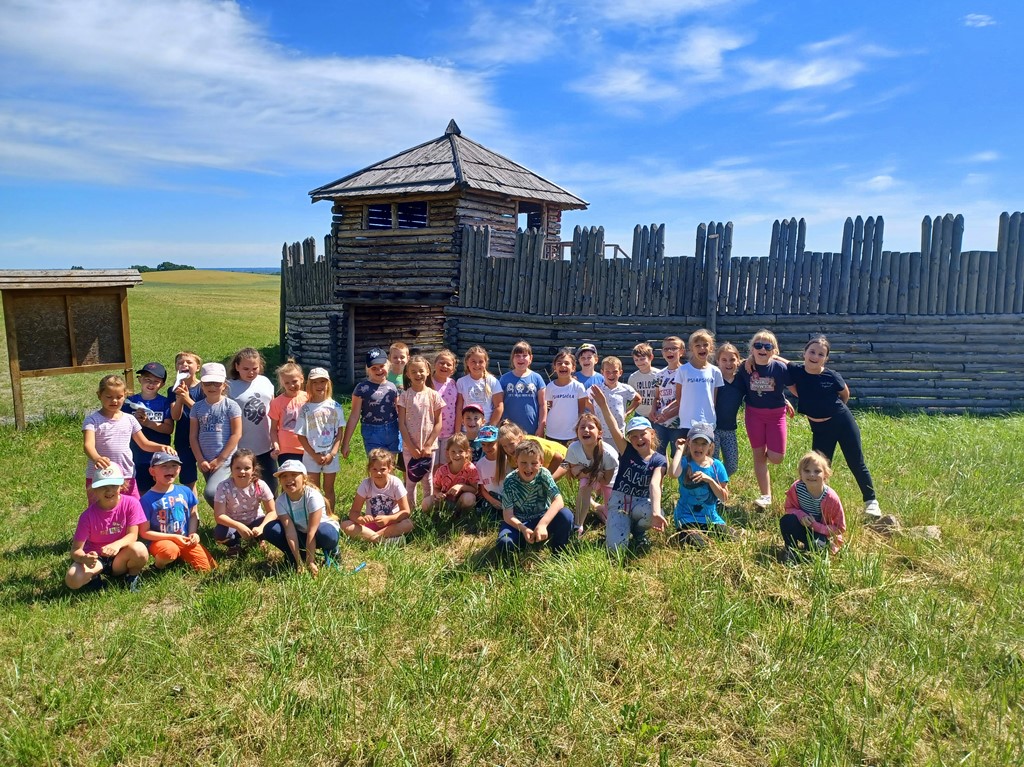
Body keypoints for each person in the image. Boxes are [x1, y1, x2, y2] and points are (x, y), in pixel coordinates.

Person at [786, 336, 881, 518]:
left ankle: (871, 502)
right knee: (816, 468)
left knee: (856, 461)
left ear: (826, 358)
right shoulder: (796, 371)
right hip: (819, 429)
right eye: (812, 351)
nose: (815, 356)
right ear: (804, 353)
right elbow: (778, 359)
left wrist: (834, 410)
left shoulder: (832, 375)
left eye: (821, 354)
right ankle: (814, 505)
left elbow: (845, 394)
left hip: (842, 422)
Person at [591, 387, 668, 553]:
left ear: (652, 434)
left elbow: (655, 485)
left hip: (642, 502)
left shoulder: (659, 460)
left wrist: (655, 512)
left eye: (642, 434)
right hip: (620, 502)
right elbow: (612, 427)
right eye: (633, 435)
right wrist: (604, 406)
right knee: (616, 551)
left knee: (653, 512)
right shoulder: (626, 451)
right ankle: (619, 524)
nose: (638, 439)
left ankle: (638, 532)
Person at [83, 374, 171, 502]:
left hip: (126, 474)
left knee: (132, 509)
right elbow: (88, 445)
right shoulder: (92, 420)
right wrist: (97, 458)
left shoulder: (130, 419)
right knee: (100, 512)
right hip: (100, 475)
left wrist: (161, 447)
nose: (114, 401)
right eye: (109, 397)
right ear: (99, 395)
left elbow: (144, 443)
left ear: (125, 396)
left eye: (119, 397)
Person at [65, 464, 149, 592]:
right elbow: (76, 550)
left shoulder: (131, 504)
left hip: (121, 555)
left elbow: (133, 535)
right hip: (97, 558)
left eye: (114, 486)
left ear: (121, 486)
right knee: (72, 578)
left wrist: (117, 545)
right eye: (103, 487)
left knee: (140, 549)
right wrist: (84, 558)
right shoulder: (87, 516)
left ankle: (131, 576)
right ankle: (94, 578)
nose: (109, 491)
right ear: (94, 489)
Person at [738, 329, 792, 509]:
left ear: (774, 350)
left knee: (777, 458)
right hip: (754, 414)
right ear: (752, 349)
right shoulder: (745, 367)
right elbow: (727, 367)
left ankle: (770, 451)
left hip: (776, 414)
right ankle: (765, 496)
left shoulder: (780, 368)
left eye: (767, 346)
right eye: (758, 345)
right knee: (758, 456)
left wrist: (786, 400)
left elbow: (794, 370)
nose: (762, 348)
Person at [138, 451, 217, 571]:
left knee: (208, 568)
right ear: (152, 471)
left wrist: (192, 533)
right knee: (169, 552)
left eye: (174, 466)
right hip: (160, 541)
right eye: (164, 466)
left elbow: (193, 515)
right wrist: (173, 538)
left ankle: (180, 556)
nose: (170, 469)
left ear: (179, 469)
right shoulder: (146, 500)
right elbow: (144, 532)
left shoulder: (185, 491)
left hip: (185, 539)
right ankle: (158, 566)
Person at [262, 460, 340, 576]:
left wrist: (311, 561)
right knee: (271, 529)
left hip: (318, 532)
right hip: (301, 533)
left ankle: (333, 552)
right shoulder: (280, 502)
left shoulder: (312, 496)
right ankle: (293, 556)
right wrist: (298, 562)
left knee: (326, 534)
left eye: (294, 475)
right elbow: (290, 532)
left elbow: (312, 531)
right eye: (284, 476)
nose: (289, 479)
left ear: (304, 478)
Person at [495, 440, 573, 557]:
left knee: (566, 515)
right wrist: (523, 528)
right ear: (516, 461)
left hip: (543, 517)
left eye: (534, 463)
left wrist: (543, 524)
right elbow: (508, 515)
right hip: (519, 521)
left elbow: (558, 501)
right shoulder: (509, 481)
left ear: (541, 462)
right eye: (524, 463)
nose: (528, 468)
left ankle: (558, 551)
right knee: (504, 542)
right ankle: (524, 542)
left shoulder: (544, 474)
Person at [552, 413, 618, 537]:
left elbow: (605, 480)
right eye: (582, 427)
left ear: (600, 433)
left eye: (591, 427)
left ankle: (597, 507)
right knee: (585, 484)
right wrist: (590, 472)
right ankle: (578, 526)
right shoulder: (573, 448)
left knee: (611, 521)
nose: (586, 430)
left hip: (610, 481)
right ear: (577, 432)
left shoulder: (608, 454)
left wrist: (584, 470)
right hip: (591, 478)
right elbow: (574, 474)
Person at [668, 423, 731, 549]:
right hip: (686, 517)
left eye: (704, 444)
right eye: (696, 442)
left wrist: (710, 481)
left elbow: (724, 498)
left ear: (710, 446)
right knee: (701, 546)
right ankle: (681, 536)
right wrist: (680, 450)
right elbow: (673, 474)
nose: (699, 447)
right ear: (689, 443)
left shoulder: (716, 466)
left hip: (711, 518)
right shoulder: (685, 462)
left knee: (733, 539)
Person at [189, 362, 243, 508]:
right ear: (202, 385)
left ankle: (233, 518)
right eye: (208, 383)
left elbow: (236, 434)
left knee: (212, 493)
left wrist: (220, 460)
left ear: (224, 385)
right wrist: (200, 460)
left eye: (216, 383)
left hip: (226, 460)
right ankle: (229, 522)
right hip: (206, 460)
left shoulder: (231, 406)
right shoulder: (197, 407)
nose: (212, 387)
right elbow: (193, 436)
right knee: (222, 493)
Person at [294, 367, 345, 515]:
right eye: (315, 382)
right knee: (313, 489)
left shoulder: (336, 406)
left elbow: (339, 432)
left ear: (328, 383)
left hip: (330, 455)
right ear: (309, 385)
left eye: (323, 381)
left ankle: (329, 516)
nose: (319, 385)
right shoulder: (305, 409)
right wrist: (314, 455)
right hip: (311, 455)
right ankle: (315, 516)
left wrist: (333, 453)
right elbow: (301, 435)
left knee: (329, 489)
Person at [779, 451, 846, 564]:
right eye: (807, 471)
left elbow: (840, 528)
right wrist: (801, 516)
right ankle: (792, 550)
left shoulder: (831, 498)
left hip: (822, 533)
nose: (811, 474)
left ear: (825, 474)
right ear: (800, 473)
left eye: (817, 471)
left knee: (817, 546)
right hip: (802, 527)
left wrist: (816, 526)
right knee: (786, 521)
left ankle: (818, 550)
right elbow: (789, 508)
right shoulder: (797, 488)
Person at [227, 347, 278, 494]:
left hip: (266, 445)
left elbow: (273, 409)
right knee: (244, 489)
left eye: (254, 368)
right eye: (246, 368)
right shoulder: (230, 386)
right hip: (242, 448)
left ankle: (273, 515)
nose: (250, 372)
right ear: (237, 367)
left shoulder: (265, 382)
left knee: (271, 488)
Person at [397, 355, 444, 507]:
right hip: (409, 446)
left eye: (421, 371)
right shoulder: (405, 396)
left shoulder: (434, 395)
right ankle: (410, 511)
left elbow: (438, 423)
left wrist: (429, 445)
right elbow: (402, 424)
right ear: (407, 374)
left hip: (428, 447)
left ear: (428, 371)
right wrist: (411, 446)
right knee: (411, 481)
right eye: (414, 371)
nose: (418, 374)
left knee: (427, 479)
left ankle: (427, 509)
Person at [213, 448, 278, 555]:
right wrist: (238, 526)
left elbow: (273, 511)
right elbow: (219, 515)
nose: (242, 471)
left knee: (274, 527)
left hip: (256, 521)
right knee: (219, 533)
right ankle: (234, 545)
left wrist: (261, 527)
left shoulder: (260, 485)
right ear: (231, 468)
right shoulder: (223, 486)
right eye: (237, 468)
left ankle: (258, 539)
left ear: (253, 469)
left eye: (247, 468)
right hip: (233, 524)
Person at [341, 449, 414, 544]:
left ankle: (371, 539)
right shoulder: (366, 484)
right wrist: (361, 519)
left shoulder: (395, 483)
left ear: (389, 469)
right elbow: (353, 513)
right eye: (374, 469)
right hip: (372, 524)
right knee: (345, 525)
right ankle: (383, 542)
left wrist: (389, 519)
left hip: (391, 524)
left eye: (382, 469)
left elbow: (406, 511)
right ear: (369, 469)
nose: (378, 473)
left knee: (408, 524)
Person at [123, 361, 173, 495]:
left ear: (162, 384)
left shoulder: (165, 402)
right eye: (147, 380)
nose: (150, 384)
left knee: (161, 489)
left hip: (159, 456)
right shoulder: (129, 402)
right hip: (137, 455)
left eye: (156, 381)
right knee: (141, 491)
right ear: (140, 380)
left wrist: (149, 423)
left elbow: (169, 429)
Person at [341, 348, 400, 460]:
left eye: (382, 366)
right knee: (376, 464)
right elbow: (354, 416)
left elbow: (400, 411)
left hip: (392, 429)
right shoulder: (362, 388)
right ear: (368, 370)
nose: (379, 370)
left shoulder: (392, 387)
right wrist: (345, 443)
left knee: (390, 465)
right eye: (374, 368)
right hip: (372, 432)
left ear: (388, 366)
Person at [673, 329, 724, 431]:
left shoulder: (715, 371)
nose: (702, 348)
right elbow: (678, 397)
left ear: (711, 348)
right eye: (697, 346)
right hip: (687, 422)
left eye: (705, 345)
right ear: (691, 349)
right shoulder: (683, 370)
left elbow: (713, 398)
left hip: (708, 422)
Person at [169, 351, 204, 493]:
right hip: (183, 438)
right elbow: (175, 416)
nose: (184, 364)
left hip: (204, 436)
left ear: (198, 367)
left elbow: (204, 413)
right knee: (189, 480)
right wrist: (179, 399)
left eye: (189, 362)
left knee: (211, 474)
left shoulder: (205, 387)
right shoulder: (173, 389)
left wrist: (187, 398)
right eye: (180, 363)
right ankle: (193, 513)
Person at [498, 340, 547, 437]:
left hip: (531, 429)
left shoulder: (537, 378)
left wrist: (541, 427)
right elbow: (498, 404)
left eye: (524, 355)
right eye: (517, 355)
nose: (521, 358)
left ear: (530, 358)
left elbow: (543, 404)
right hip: (509, 429)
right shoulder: (504, 379)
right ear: (512, 358)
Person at [589, 356, 641, 445]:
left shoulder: (625, 389)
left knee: (618, 456)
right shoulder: (596, 388)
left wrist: (627, 413)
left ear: (620, 372)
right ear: (602, 372)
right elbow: (585, 399)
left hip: (618, 432)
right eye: (607, 372)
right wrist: (593, 412)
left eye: (615, 372)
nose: (611, 375)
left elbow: (638, 399)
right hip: (600, 432)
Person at [423, 433, 479, 513]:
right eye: (453, 451)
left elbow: (475, 490)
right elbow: (436, 488)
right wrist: (438, 494)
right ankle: (437, 518)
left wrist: (461, 486)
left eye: (460, 451)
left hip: (461, 502)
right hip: (444, 502)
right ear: (447, 453)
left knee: (469, 498)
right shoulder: (442, 470)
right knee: (426, 503)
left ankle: (460, 516)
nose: (457, 455)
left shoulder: (471, 469)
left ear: (467, 452)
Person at [650, 336, 685, 457]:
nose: (670, 351)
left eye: (674, 348)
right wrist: (653, 410)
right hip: (660, 422)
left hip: (679, 422)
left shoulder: (685, 372)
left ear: (681, 351)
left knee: (678, 454)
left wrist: (669, 414)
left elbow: (684, 399)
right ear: (662, 352)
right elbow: (656, 396)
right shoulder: (659, 374)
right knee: (658, 452)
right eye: (666, 349)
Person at [544, 347, 588, 444]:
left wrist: (577, 430)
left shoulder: (579, 387)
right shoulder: (550, 387)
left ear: (573, 368)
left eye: (567, 363)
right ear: (555, 368)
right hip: (552, 432)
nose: (563, 365)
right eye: (559, 363)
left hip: (571, 434)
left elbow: (581, 411)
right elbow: (550, 406)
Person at [495, 420, 567, 478]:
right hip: (549, 464)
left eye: (511, 444)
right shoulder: (512, 456)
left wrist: (545, 477)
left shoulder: (533, 444)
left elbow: (558, 457)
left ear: (520, 438)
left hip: (565, 460)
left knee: (543, 484)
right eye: (505, 446)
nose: (509, 449)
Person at [269, 359, 308, 466]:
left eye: (294, 381)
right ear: (282, 384)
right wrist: (276, 445)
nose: (291, 385)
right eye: (287, 383)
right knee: (289, 480)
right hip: (286, 450)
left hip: (307, 448)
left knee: (307, 480)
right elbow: (273, 429)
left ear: (301, 379)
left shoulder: (309, 398)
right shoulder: (276, 403)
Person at [713, 343, 744, 477]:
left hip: (730, 429)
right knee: (712, 463)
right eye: (724, 360)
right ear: (717, 362)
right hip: (713, 428)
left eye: (732, 359)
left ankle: (721, 483)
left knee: (732, 465)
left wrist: (782, 399)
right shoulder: (714, 379)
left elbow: (758, 392)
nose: (728, 363)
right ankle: (713, 491)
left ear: (738, 361)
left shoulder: (741, 381)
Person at [454, 345, 503, 426]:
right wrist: (458, 432)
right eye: (473, 361)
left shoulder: (493, 381)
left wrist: (490, 428)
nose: (477, 365)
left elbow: (499, 406)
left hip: (486, 430)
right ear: (467, 362)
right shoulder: (461, 382)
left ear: (486, 363)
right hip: (467, 429)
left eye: (480, 362)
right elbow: (459, 408)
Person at [431, 349, 459, 466]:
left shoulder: (453, 383)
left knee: (445, 464)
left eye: (448, 364)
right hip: (431, 433)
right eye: (441, 363)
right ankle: (432, 484)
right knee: (431, 465)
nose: (444, 366)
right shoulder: (428, 383)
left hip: (449, 432)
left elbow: (457, 407)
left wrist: (456, 432)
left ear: (453, 369)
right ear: (435, 364)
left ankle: (442, 484)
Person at [474, 425, 503, 517]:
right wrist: (492, 500)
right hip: (491, 498)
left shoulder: (507, 460)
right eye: (483, 444)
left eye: (491, 444)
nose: (487, 448)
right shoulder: (480, 464)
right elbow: (482, 490)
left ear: (498, 442)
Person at [627, 342, 661, 418]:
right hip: (640, 414)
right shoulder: (633, 377)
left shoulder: (658, 375)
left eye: (642, 359)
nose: (639, 362)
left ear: (651, 357)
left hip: (657, 413)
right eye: (636, 360)